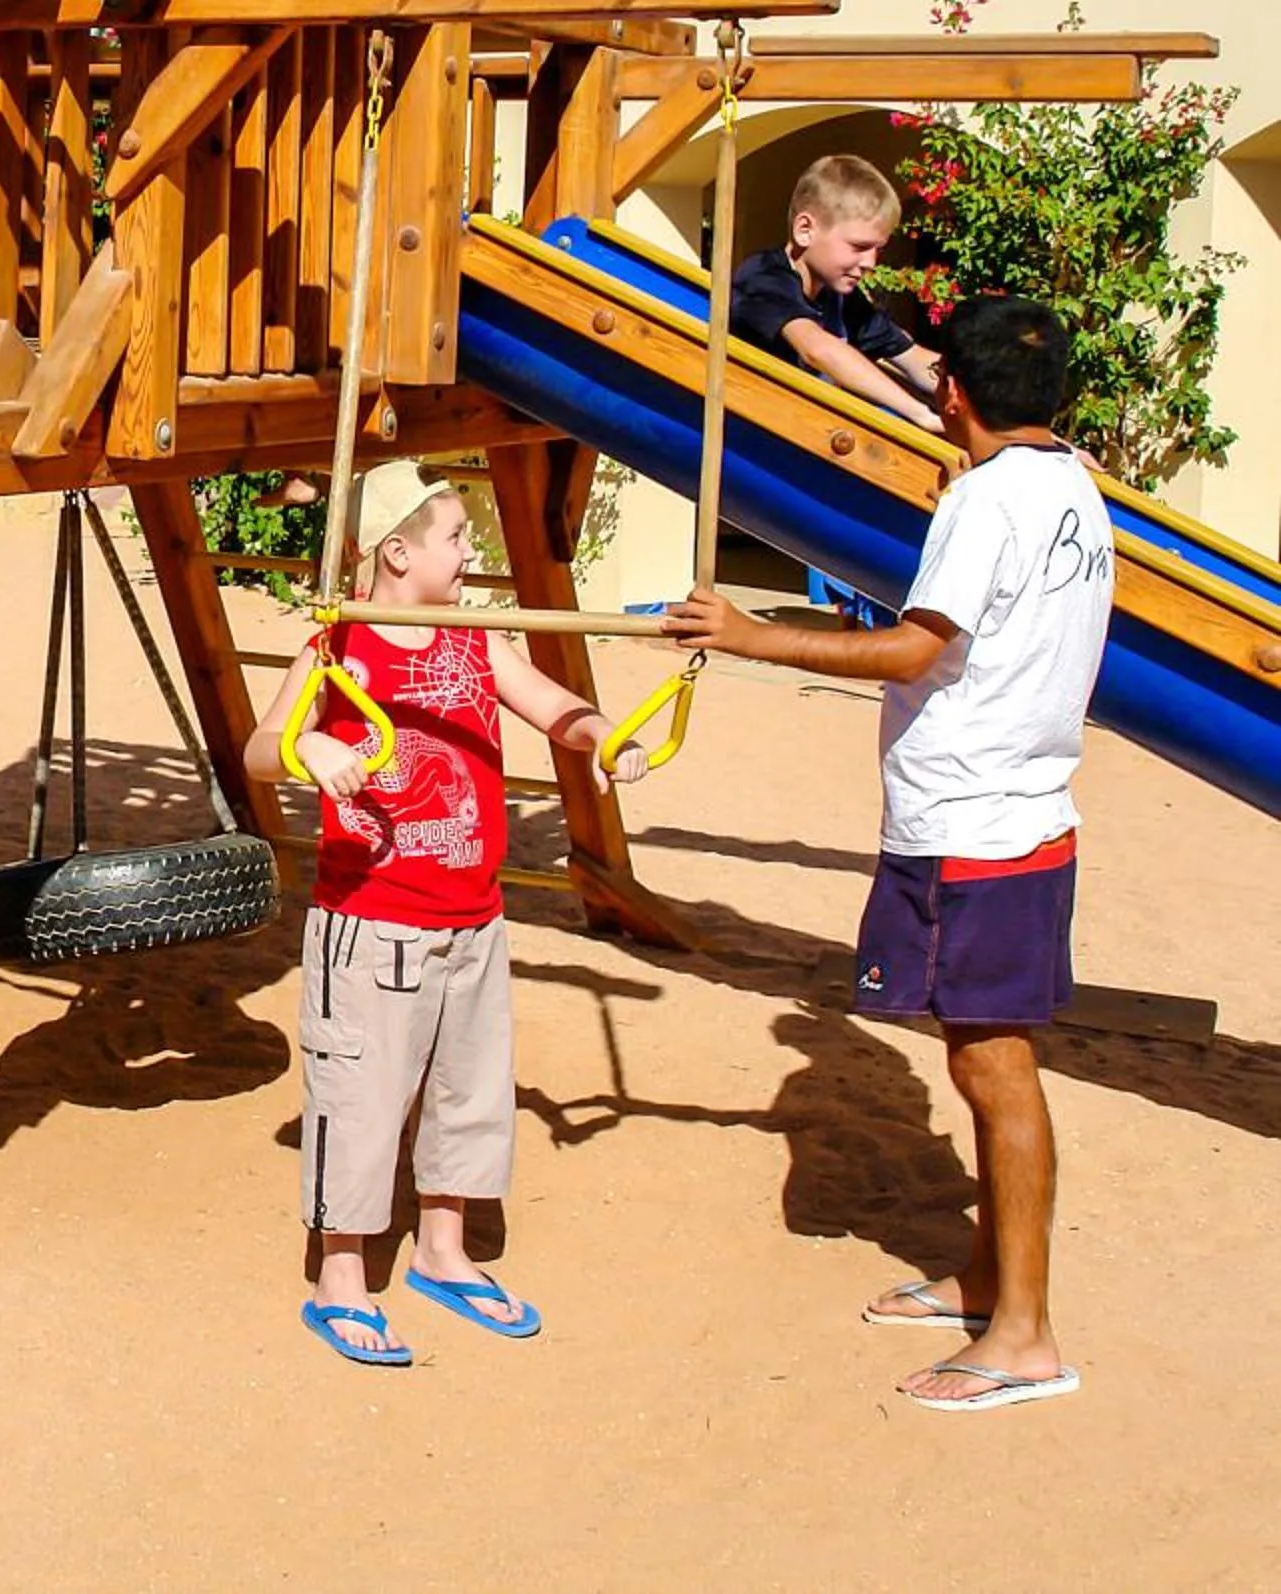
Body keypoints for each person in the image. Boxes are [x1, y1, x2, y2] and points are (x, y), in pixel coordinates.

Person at [669, 296, 1108, 1414]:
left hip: (979, 821)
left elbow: (919, 644)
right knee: (977, 1054)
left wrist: (750, 633)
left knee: (992, 1064)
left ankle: (1025, 1335)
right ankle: (992, 1280)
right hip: (1010, 809)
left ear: (950, 393)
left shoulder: (984, 499)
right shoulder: (1076, 484)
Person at [245, 459, 647, 1367]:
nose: (473, 552)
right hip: (374, 919)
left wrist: (605, 739)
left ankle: (442, 1248)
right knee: (362, 1092)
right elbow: (259, 749)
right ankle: (340, 1275)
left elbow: (552, 707)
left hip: (472, 915)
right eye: (457, 539)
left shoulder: (473, 638)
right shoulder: (338, 649)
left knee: (470, 1088)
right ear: (397, 554)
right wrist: (307, 743)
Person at [732, 153, 944, 433]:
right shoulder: (763, 278)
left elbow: (911, 357)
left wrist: (978, 391)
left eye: (877, 249)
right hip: (754, 429)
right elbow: (817, 349)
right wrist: (921, 414)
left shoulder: (840, 298)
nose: (871, 263)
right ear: (805, 230)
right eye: (858, 247)